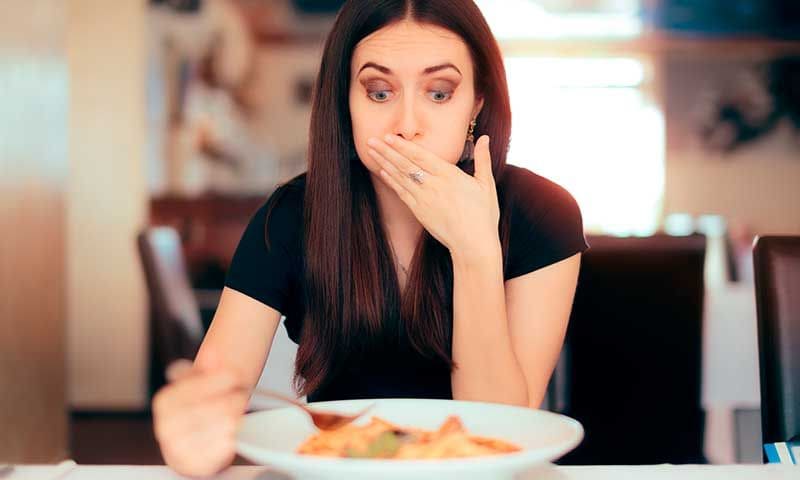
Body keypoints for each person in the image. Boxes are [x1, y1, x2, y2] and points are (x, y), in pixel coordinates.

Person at [152, 0, 588, 476]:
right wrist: (190, 438)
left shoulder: (543, 213)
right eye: (379, 92)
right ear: (347, 104)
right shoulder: (289, 217)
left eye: (439, 93)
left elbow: (503, 434)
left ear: (476, 105)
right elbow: (212, 397)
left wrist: (475, 250)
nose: (406, 125)